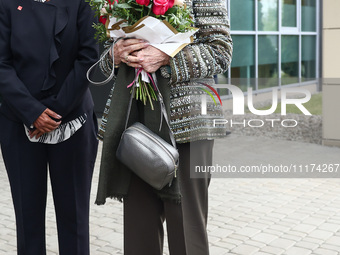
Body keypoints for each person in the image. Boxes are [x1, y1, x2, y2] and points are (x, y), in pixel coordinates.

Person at [95, 0, 232, 254]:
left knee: (186, 230)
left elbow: (220, 51)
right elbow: (105, 53)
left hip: (188, 123)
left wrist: (166, 57)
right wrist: (115, 54)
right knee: (139, 232)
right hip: (135, 120)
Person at [0, 0, 99, 254]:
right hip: (19, 122)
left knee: (74, 219)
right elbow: (2, 64)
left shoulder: (82, 2)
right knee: (27, 218)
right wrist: (33, 112)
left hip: (74, 121)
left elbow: (89, 56)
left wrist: (55, 112)